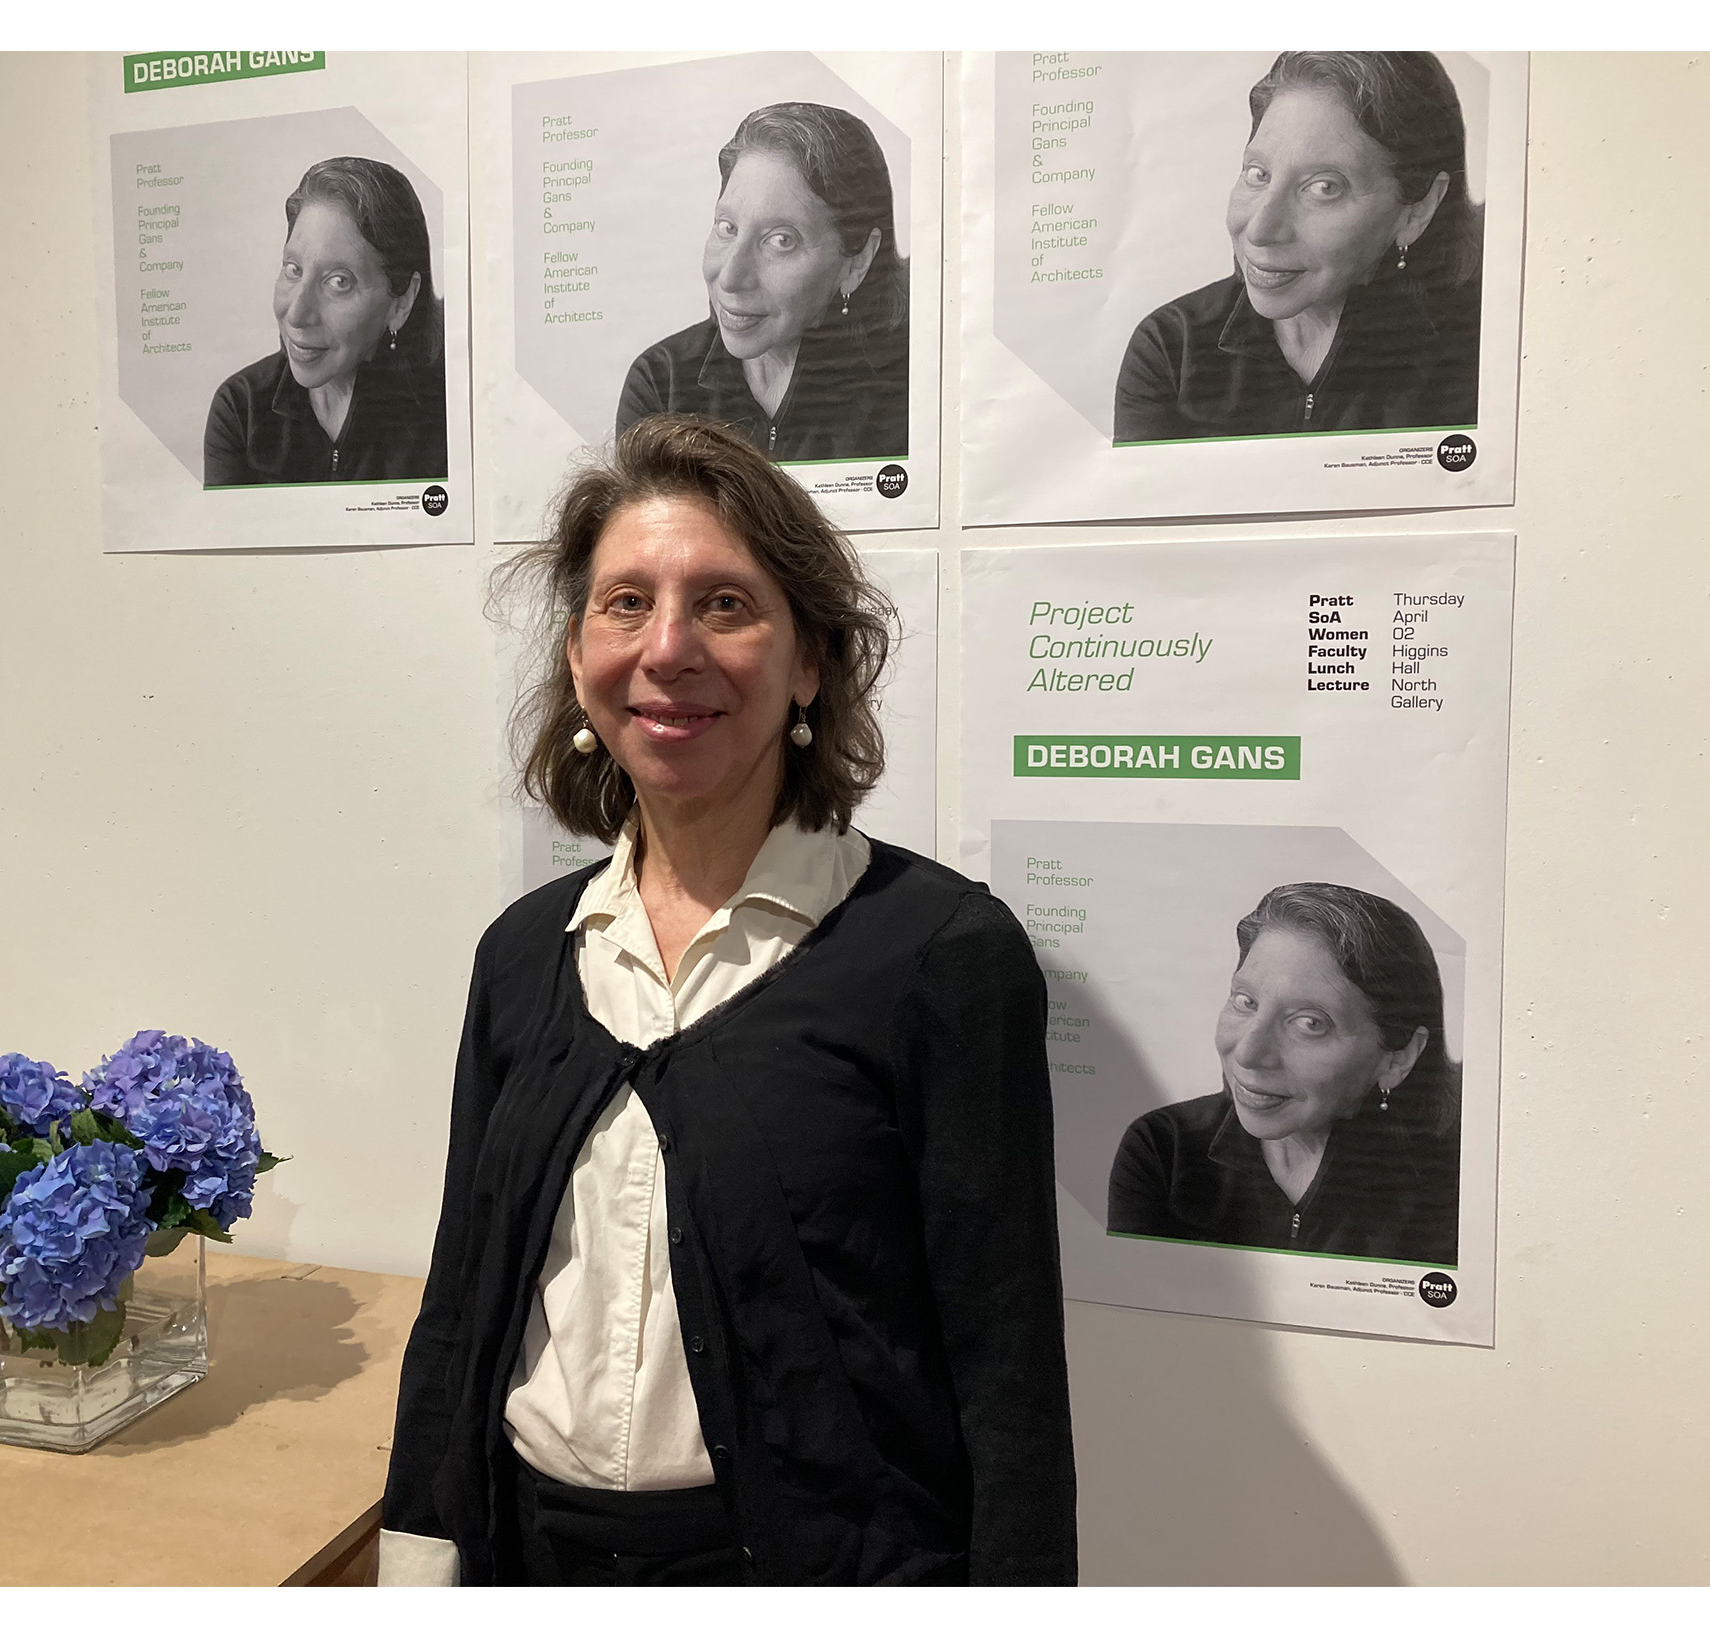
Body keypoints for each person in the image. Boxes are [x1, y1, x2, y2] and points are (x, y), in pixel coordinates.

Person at [380, 416, 1075, 1585]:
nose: (666, 650)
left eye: (723, 605)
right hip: (530, 1559)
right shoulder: (523, 955)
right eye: (623, 604)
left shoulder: (939, 955)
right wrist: (413, 1573)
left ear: (809, 660)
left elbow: (1003, 1368)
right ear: (573, 653)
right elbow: (461, 1300)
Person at [1114, 52, 1484, 444]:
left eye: (1325, 187)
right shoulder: (1172, 349)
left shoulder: (1477, 351)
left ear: (1418, 209)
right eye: (1258, 174)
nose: (1259, 230)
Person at [1108, 882, 1461, 1264]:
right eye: (1246, 1002)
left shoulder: (1455, 1180)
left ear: (1397, 1059)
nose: (1247, 1052)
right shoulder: (1164, 1151)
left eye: (1310, 1023)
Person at [616, 103, 910, 463]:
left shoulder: (910, 385)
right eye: (727, 228)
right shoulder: (663, 384)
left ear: (857, 261)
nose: (729, 277)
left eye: (781, 240)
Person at [204, 156, 447, 487]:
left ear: (401, 300)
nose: (296, 314)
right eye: (294, 269)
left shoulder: (450, 410)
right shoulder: (241, 410)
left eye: (339, 281)